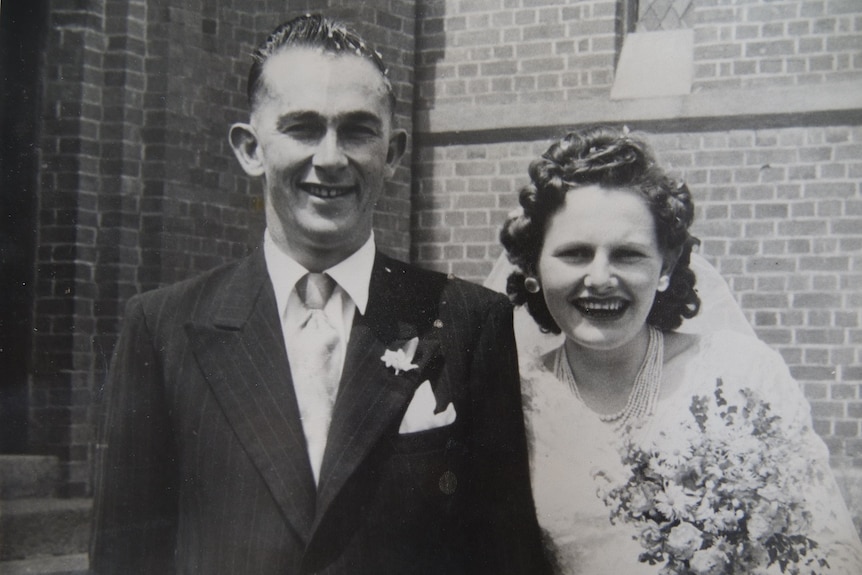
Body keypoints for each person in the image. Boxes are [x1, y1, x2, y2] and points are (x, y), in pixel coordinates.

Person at [90, 14, 550, 575]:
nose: (331, 158)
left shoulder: (468, 322)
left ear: (394, 152)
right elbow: (126, 557)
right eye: (302, 127)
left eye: (357, 130)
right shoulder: (163, 328)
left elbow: (505, 556)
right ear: (250, 148)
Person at [497, 126, 862, 574]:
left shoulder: (739, 375)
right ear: (533, 267)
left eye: (628, 254)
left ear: (665, 267)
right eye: (575, 253)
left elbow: (831, 548)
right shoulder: (511, 402)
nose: (600, 278)